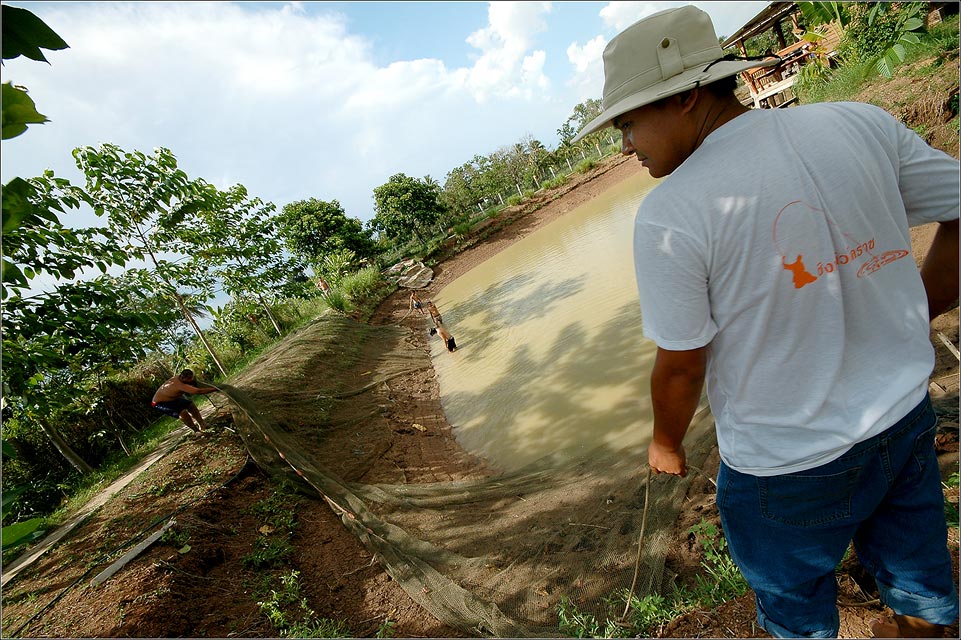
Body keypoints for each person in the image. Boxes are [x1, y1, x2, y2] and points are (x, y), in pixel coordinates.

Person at [572, 6, 959, 638]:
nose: (624, 146)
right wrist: (922, 306)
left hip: (785, 468)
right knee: (920, 586)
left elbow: (681, 364)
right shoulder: (858, 124)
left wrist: (665, 443)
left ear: (689, 96)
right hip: (902, 422)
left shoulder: (672, 214)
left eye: (629, 122)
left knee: (795, 614)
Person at [151, 369, 218, 433]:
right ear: (183, 377)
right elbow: (198, 391)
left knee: (191, 405)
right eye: (189, 378)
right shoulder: (179, 384)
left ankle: (202, 424)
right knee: (183, 413)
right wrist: (215, 389)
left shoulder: (182, 380)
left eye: (191, 377)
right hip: (159, 403)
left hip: (172, 398)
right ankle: (196, 431)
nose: (191, 380)